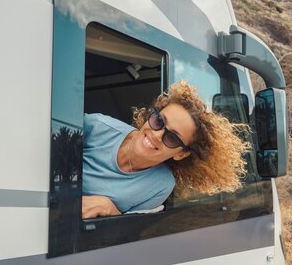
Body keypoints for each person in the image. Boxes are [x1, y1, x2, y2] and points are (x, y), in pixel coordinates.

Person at [82, 80, 249, 219]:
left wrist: (108, 209)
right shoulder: (97, 126)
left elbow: (125, 235)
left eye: (172, 138)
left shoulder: (161, 185)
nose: (157, 134)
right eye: (158, 121)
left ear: (181, 154)